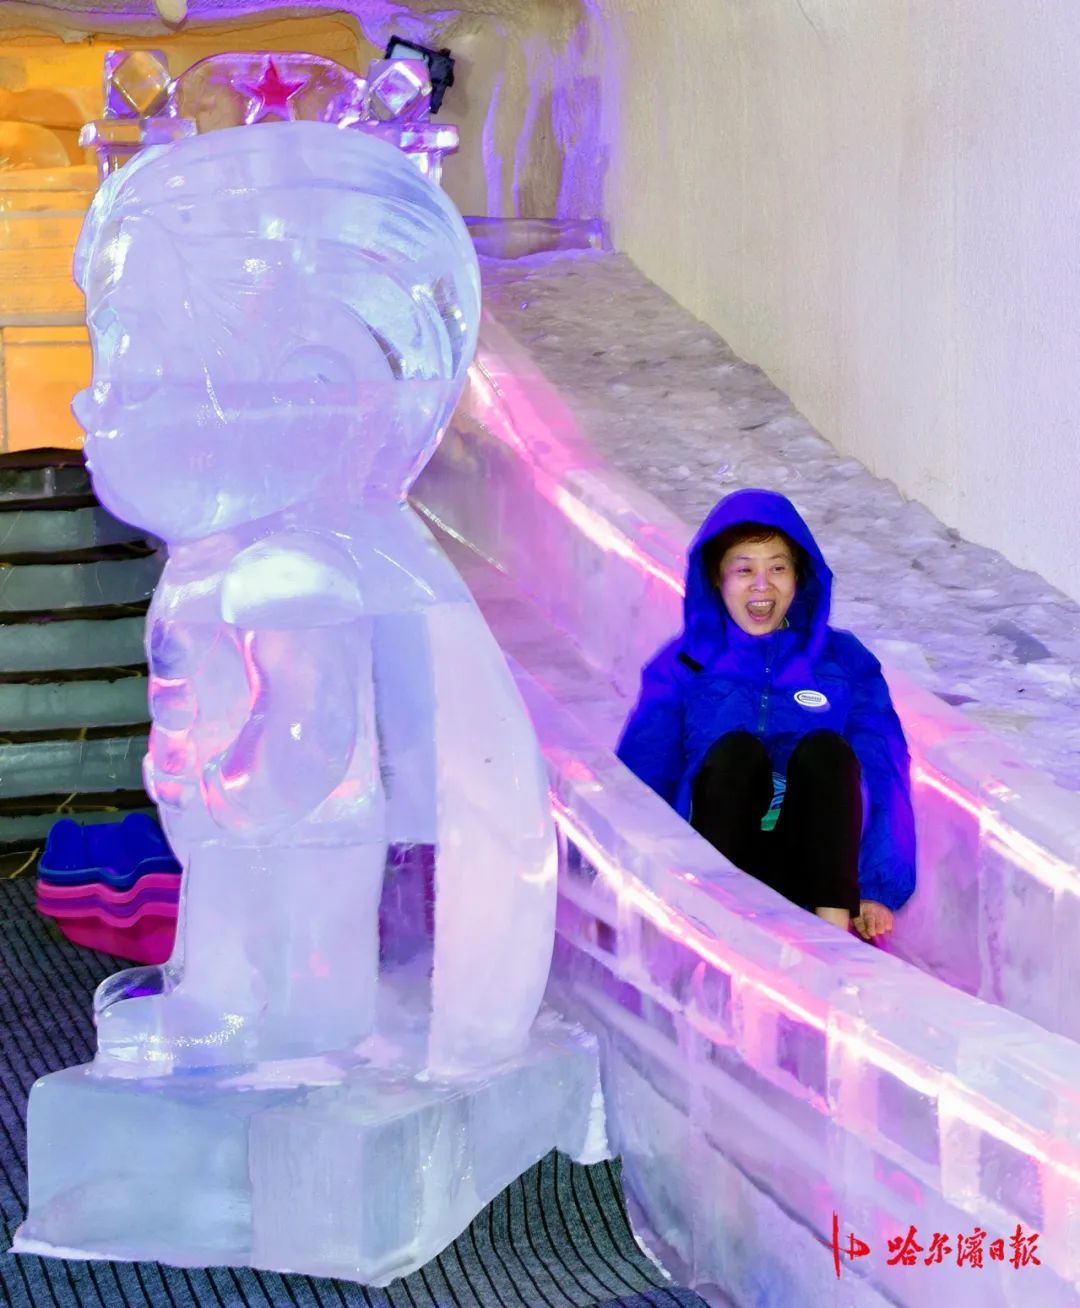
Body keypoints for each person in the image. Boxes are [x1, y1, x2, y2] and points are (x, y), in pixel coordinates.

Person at [617, 488, 915, 938]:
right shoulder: (686, 663)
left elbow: (882, 766)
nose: (762, 585)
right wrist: (632, 869)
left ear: (799, 577)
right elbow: (646, 766)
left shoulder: (843, 662)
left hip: (812, 864)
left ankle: (832, 932)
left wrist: (876, 885)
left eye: (777, 567)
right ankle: (717, 922)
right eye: (744, 570)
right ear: (717, 579)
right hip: (720, 849)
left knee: (827, 752)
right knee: (735, 753)